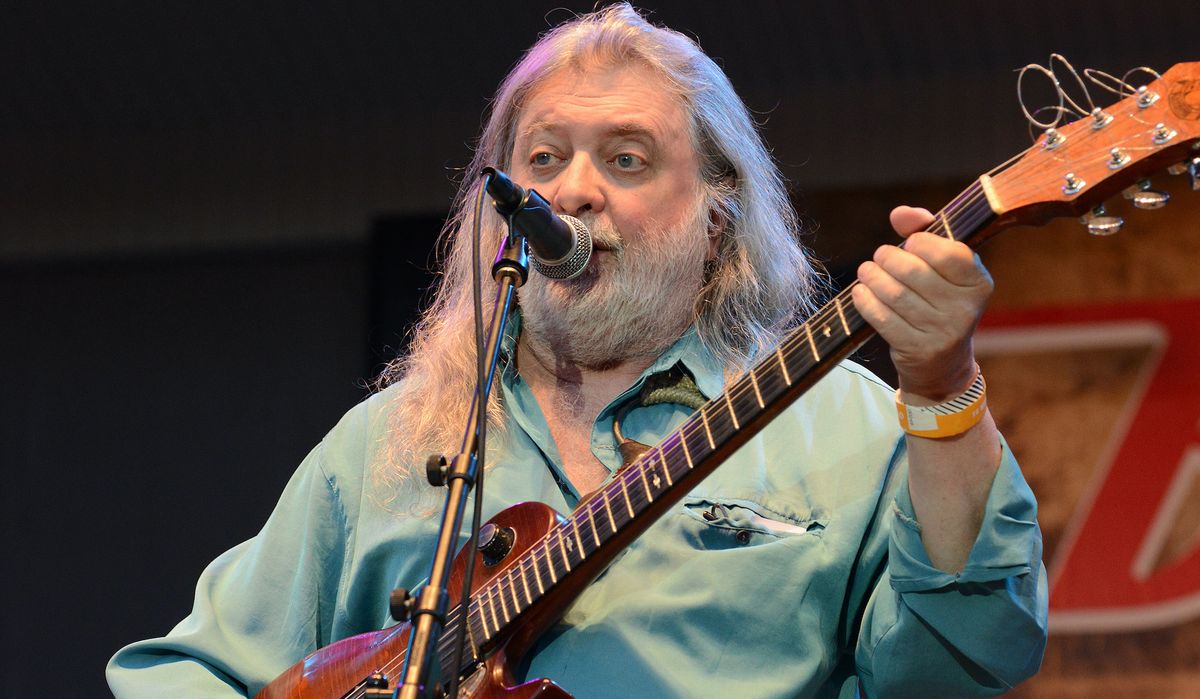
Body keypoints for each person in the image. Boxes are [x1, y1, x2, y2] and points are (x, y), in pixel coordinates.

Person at [107, 4, 1047, 697]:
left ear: (718, 219)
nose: (573, 193)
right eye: (544, 160)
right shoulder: (385, 442)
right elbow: (181, 673)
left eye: (627, 159)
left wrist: (943, 382)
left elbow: (962, 664)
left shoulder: (846, 427)